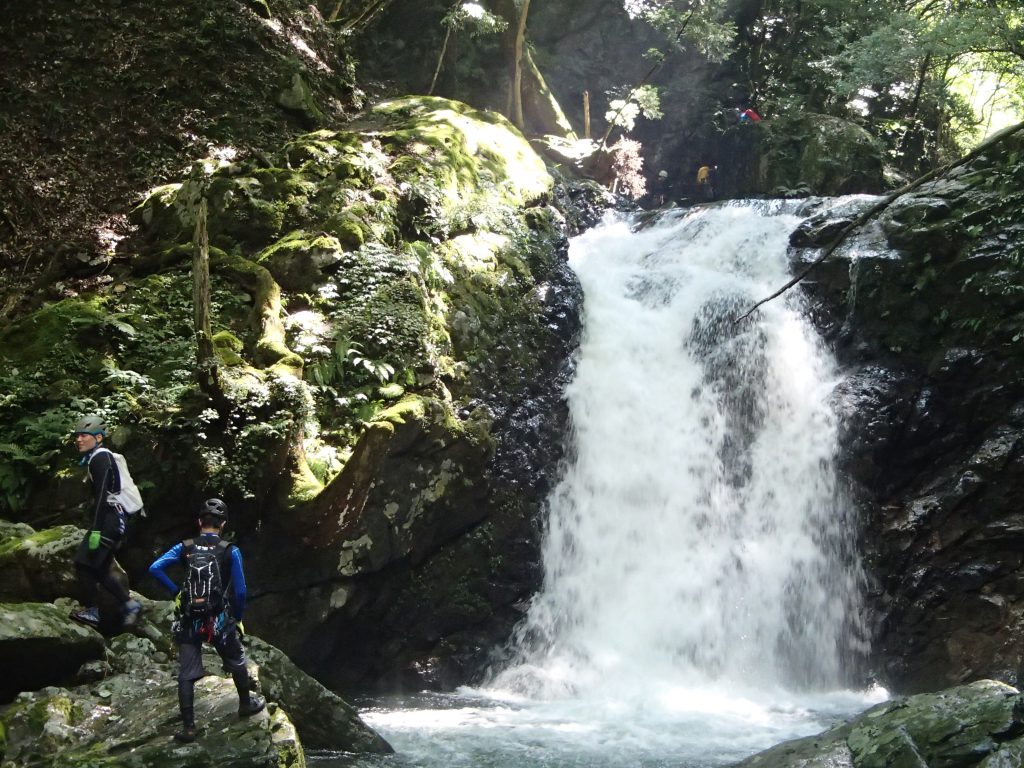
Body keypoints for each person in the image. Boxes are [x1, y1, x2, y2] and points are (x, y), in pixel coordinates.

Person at [149, 498, 265, 743]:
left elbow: (155, 568)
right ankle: (245, 704)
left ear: (199, 522)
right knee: (236, 660)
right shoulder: (230, 549)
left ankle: (189, 728)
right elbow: (241, 592)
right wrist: (238, 618)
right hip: (218, 620)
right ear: (222, 524)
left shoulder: (186, 546)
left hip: (189, 618)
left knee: (187, 673)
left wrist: (175, 593)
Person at [70, 414, 142, 628]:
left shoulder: (100, 457)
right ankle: (129, 605)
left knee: (83, 563)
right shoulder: (100, 457)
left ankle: (93, 611)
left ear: (99, 438)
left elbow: (103, 494)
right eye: (77, 436)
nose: (79, 439)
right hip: (115, 520)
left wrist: (97, 529)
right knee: (100, 568)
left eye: (85, 435)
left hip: (109, 520)